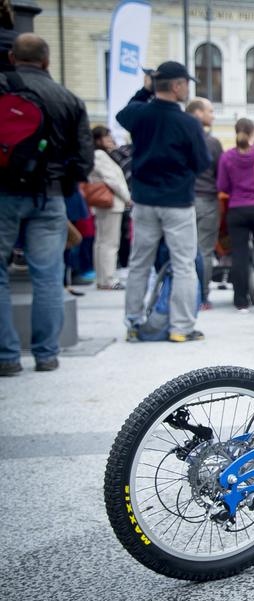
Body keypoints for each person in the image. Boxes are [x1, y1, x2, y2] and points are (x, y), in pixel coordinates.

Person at [0, 34, 92, 375]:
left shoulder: (2, 86)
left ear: (12, 57)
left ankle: (7, 357)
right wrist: (64, 185)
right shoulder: (68, 99)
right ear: (47, 61)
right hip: (50, 195)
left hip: (4, 192)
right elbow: (84, 159)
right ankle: (46, 354)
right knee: (49, 276)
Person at [117, 61, 209, 343]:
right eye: (186, 83)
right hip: (177, 200)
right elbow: (201, 162)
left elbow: (123, 114)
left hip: (144, 199)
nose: (187, 89)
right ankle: (181, 327)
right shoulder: (188, 122)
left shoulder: (141, 115)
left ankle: (133, 322)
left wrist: (146, 90)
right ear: (177, 85)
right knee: (183, 264)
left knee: (139, 263)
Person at [217, 118, 254, 313]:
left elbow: (221, 186)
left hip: (236, 210)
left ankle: (241, 300)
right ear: (253, 132)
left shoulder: (227, 157)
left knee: (239, 256)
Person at [185, 97, 223, 310]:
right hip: (207, 199)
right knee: (205, 250)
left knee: (184, 252)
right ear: (198, 112)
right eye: (210, 110)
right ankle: (203, 297)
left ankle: (184, 296)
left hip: (184, 200)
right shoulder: (212, 143)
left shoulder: (179, 138)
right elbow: (221, 174)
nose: (213, 115)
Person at [87, 126, 131, 290]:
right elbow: (112, 180)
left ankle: (103, 278)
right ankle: (108, 279)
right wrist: (127, 198)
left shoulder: (100, 155)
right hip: (111, 204)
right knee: (109, 243)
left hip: (106, 204)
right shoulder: (100, 155)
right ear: (98, 140)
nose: (111, 140)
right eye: (107, 137)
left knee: (102, 242)